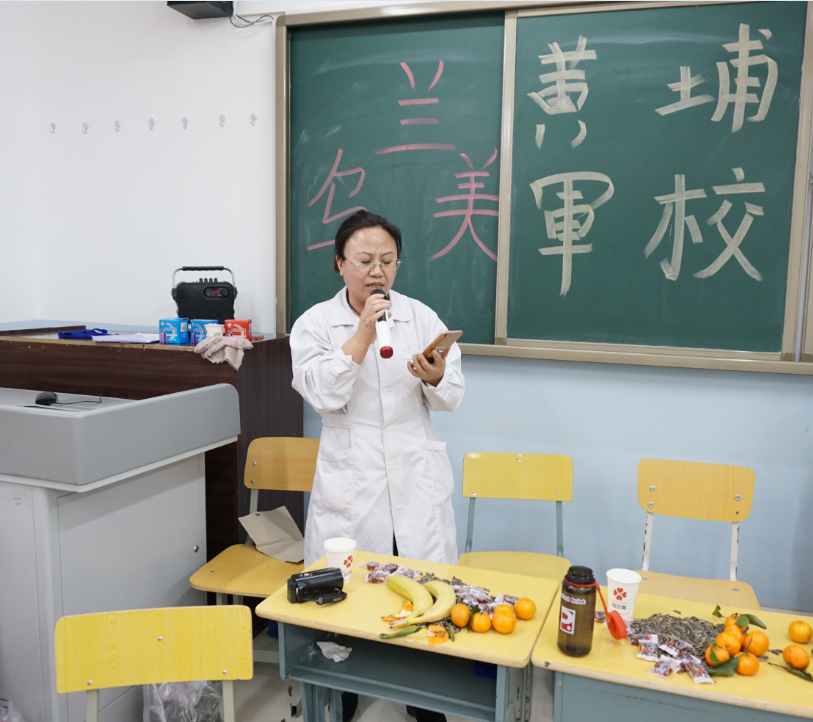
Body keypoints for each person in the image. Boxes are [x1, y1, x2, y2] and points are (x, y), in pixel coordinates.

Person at [290, 210, 465, 722]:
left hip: (414, 475)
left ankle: (425, 700)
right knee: (345, 596)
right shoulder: (316, 324)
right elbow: (321, 393)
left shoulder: (421, 317)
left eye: (387, 261)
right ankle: (341, 695)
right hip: (353, 480)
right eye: (365, 260)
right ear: (339, 263)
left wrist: (434, 376)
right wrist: (363, 334)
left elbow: (453, 393)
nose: (377, 271)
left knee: (423, 587)